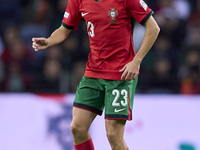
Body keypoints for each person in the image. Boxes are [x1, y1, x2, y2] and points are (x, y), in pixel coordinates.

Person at [32, 0, 160, 149]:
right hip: (93, 73)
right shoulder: (77, 1)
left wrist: (136, 61)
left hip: (121, 75)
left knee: (113, 135)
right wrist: (48, 41)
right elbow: (63, 29)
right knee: (77, 128)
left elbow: (153, 28)